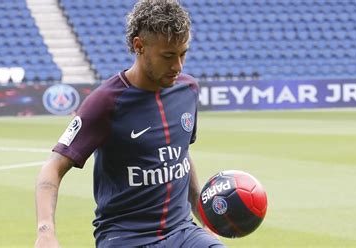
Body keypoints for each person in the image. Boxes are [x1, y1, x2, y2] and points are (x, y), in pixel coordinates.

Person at [35, 0, 225, 247]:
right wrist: (45, 231)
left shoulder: (188, 90)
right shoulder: (105, 102)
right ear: (139, 46)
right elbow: (53, 167)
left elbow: (180, 155)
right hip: (125, 237)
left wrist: (205, 218)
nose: (177, 66)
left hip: (182, 231)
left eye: (183, 54)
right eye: (168, 56)